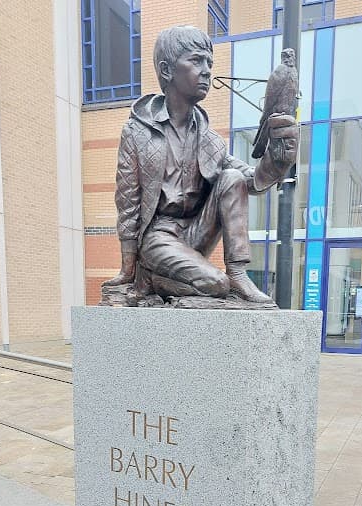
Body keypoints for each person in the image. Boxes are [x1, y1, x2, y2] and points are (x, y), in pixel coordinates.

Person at [103, 25, 299, 304]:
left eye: (209, 62)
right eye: (196, 61)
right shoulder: (137, 132)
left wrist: (279, 158)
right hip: (159, 237)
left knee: (231, 177)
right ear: (167, 70)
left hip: (196, 232)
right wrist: (128, 267)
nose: (207, 69)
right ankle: (150, 276)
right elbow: (128, 201)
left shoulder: (210, 140)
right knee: (217, 285)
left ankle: (238, 272)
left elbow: (251, 181)